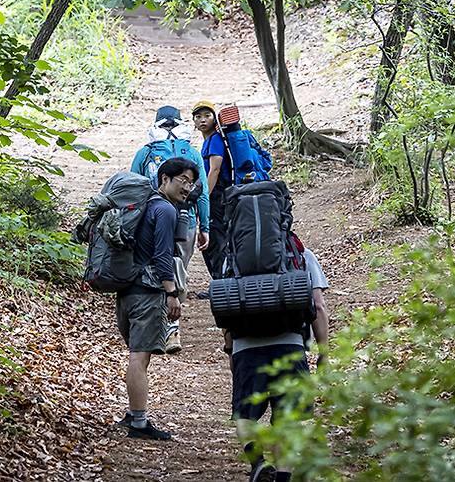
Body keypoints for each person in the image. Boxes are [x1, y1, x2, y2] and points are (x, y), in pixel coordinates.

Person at [116, 157, 199, 441]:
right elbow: (163, 255)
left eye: (191, 183)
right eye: (183, 180)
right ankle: (139, 423)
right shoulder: (164, 209)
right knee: (140, 356)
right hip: (147, 292)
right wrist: (171, 293)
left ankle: (132, 413)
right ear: (164, 178)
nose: (187, 187)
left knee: (138, 355)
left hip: (127, 290)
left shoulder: (146, 204)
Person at [231, 248, 329, 482]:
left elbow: (229, 304)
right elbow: (318, 306)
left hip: (246, 344)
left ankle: (257, 463)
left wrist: (230, 350)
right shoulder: (301, 253)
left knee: (244, 414)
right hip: (290, 344)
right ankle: (283, 477)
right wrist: (323, 351)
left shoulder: (235, 253)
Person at [130, 105, 210, 352]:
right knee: (177, 270)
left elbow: (134, 188)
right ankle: (173, 330)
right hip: (186, 221)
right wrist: (205, 226)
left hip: (151, 219)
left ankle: (158, 324)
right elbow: (203, 192)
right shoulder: (192, 153)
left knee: (154, 267)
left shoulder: (145, 152)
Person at [192, 99, 231, 280]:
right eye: (198, 117)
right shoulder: (208, 141)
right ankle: (219, 279)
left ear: (215, 119)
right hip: (214, 193)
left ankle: (221, 281)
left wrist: (204, 199)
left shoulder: (215, 140)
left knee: (216, 237)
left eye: (207, 116)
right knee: (215, 236)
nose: (202, 120)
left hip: (217, 194)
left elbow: (215, 170)